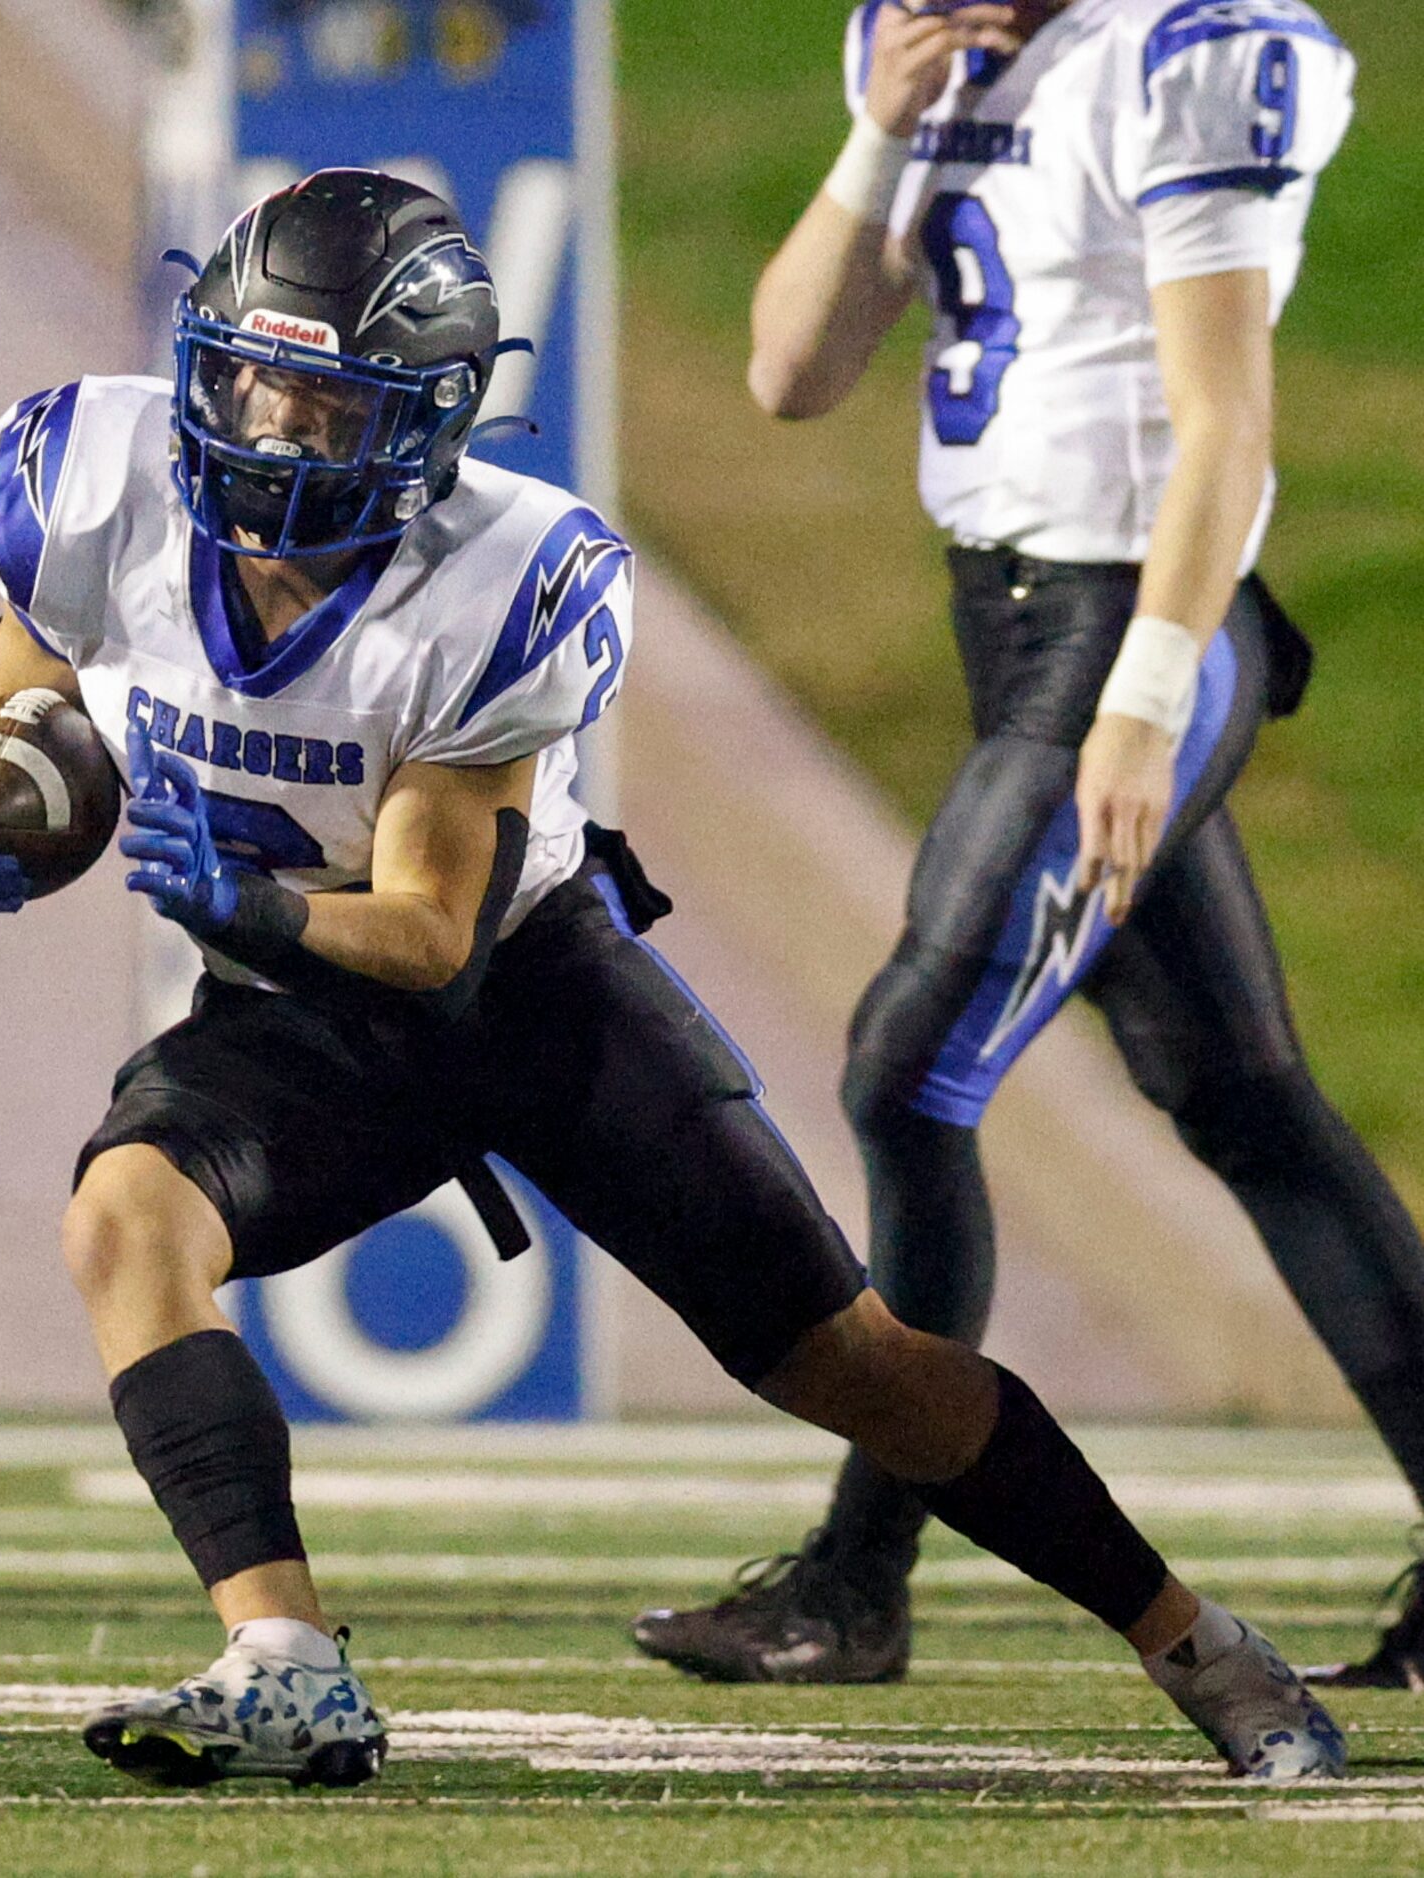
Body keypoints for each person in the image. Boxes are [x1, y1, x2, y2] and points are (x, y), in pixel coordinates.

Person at [0, 166, 1343, 1787]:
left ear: (431, 425)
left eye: (327, 405)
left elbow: (434, 935)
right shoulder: (94, 476)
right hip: (291, 1000)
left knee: (852, 1364)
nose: (276, 432)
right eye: (254, 381)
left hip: (525, 996)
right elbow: (15, 684)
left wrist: (254, 906)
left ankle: (1203, 1644)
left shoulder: (502, 575)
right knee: (126, 1220)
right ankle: (285, 1656)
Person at [631, 0, 1424, 1690]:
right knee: (1242, 1095)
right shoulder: (924, 49)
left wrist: (1144, 696)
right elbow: (790, 370)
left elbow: (1224, 422)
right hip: (1008, 620)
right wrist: (886, 128)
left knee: (907, 1067)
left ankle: (857, 1577)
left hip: (1133, 619)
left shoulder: (1189, 49)